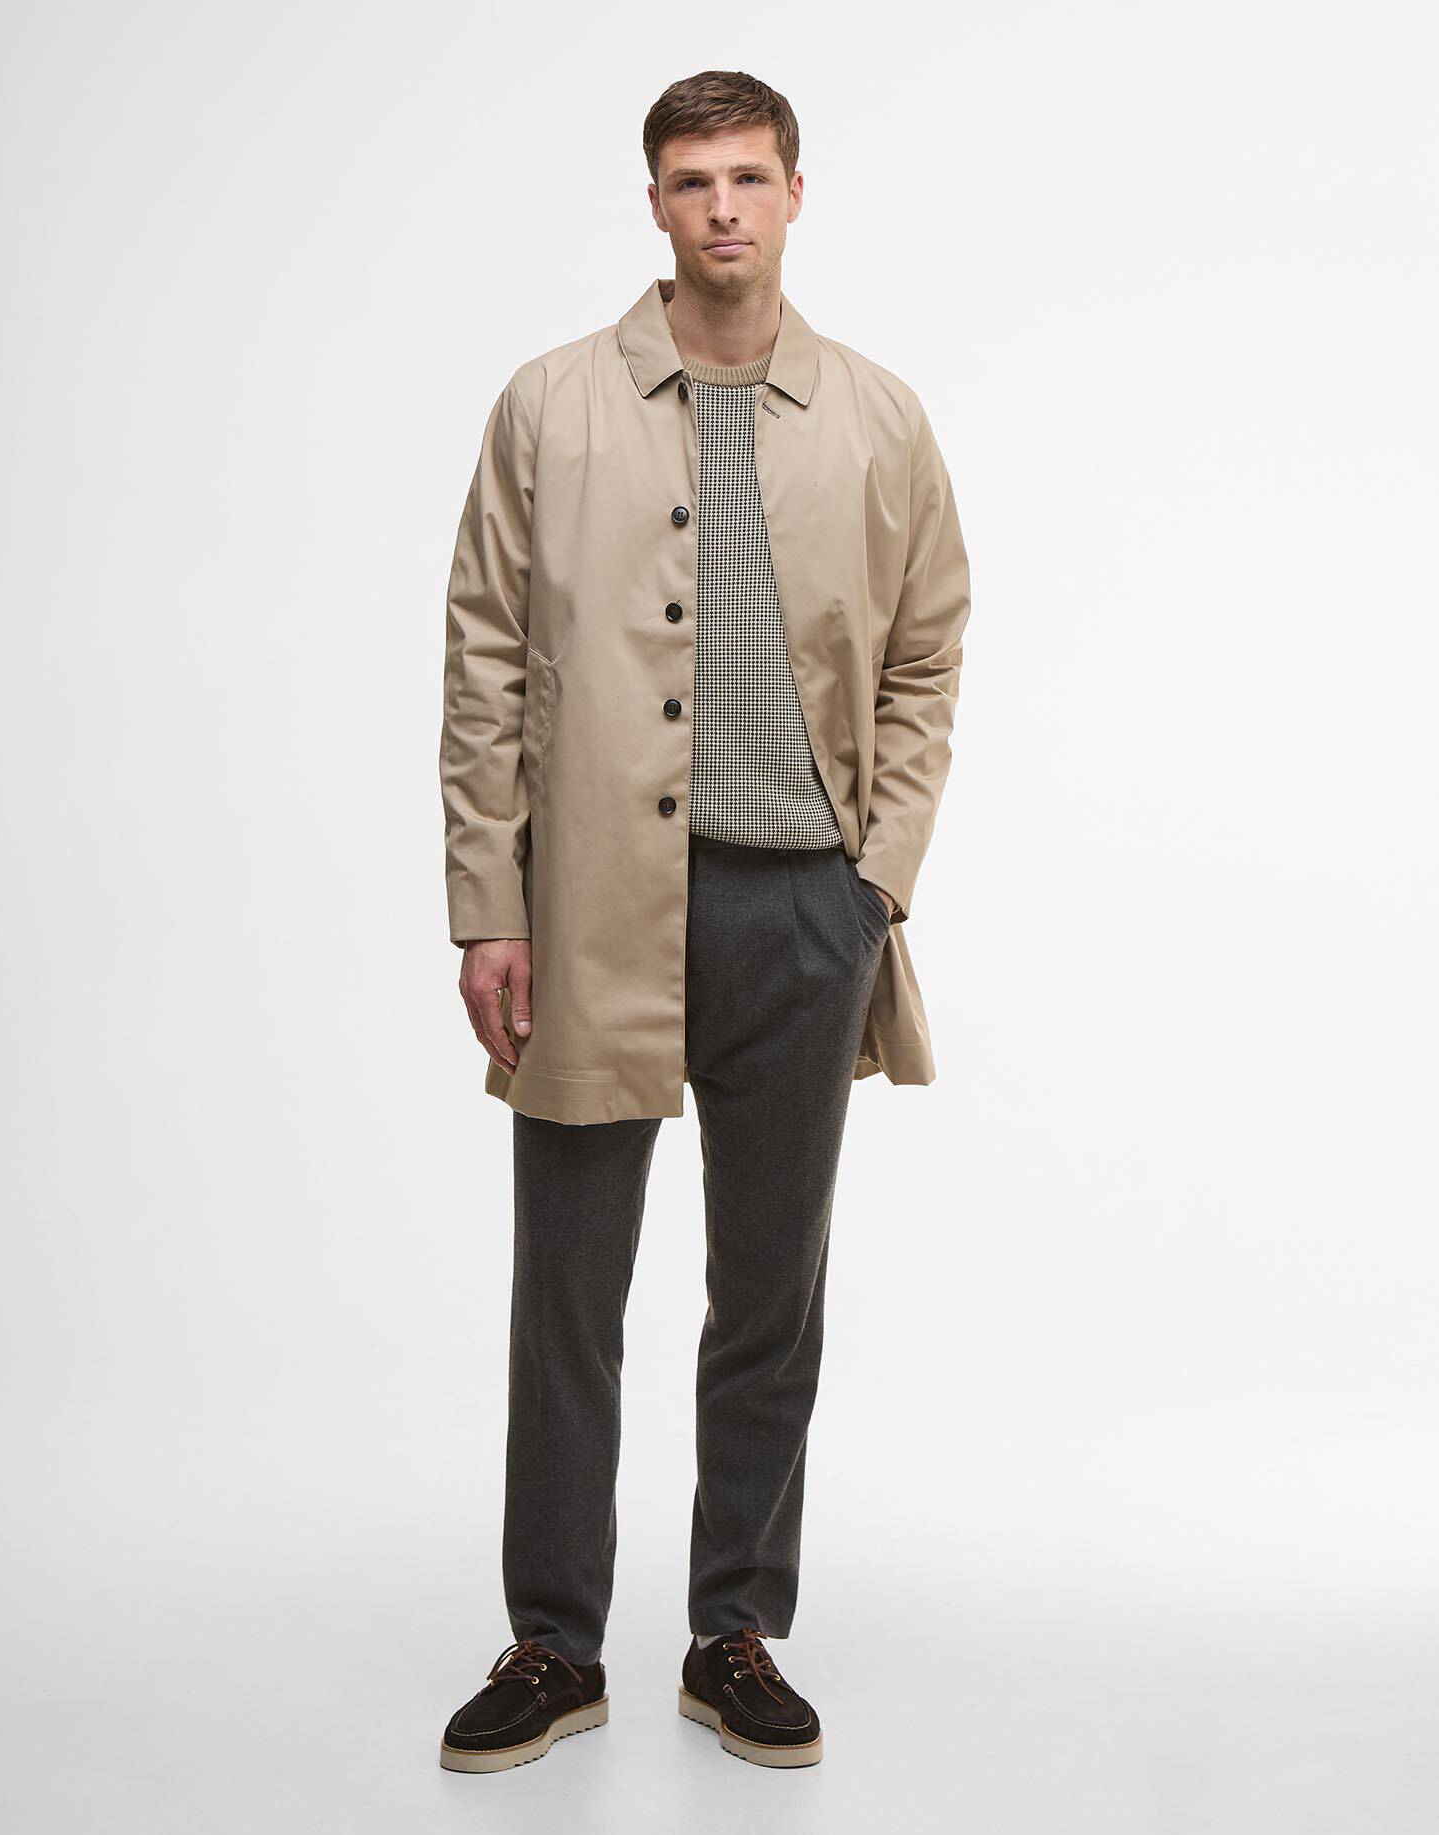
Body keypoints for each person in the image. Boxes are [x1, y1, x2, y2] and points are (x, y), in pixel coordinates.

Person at [437, 68, 972, 1774]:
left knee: (769, 1293)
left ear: (797, 194)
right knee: (567, 1287)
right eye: (691, 180)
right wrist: (488, 906)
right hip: (591, 902)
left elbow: (928, 654)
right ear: (655, 203)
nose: (723, 207)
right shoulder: (549, 405)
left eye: (749, 177)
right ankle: (553, 1644)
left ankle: (732, 1629)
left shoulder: (879, 417)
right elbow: (485, 660)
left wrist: (875, 878)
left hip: (800, 911)